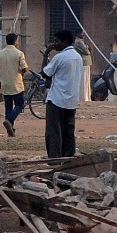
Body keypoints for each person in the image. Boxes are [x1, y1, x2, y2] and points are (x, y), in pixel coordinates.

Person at [40, 29, 84, 159]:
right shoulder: (78, 57)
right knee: (68, 132)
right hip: (71, 101)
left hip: (56, 100)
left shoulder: (59, 57)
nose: (54, 44)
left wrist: (46, 54)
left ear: (65, 42)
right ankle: (68, 158)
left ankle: (54, 159)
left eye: (56, 41)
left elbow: (44, 73)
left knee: (54, 133)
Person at [0, 32, 29, 139]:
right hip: (17, 84)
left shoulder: (0, 54)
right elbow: (24, 68)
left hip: (5, 84)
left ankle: (10, 131)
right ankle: (9, 120)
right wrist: (21, 72)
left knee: (8, 107)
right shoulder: (19, 53)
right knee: (20, 104)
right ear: (15, 41)